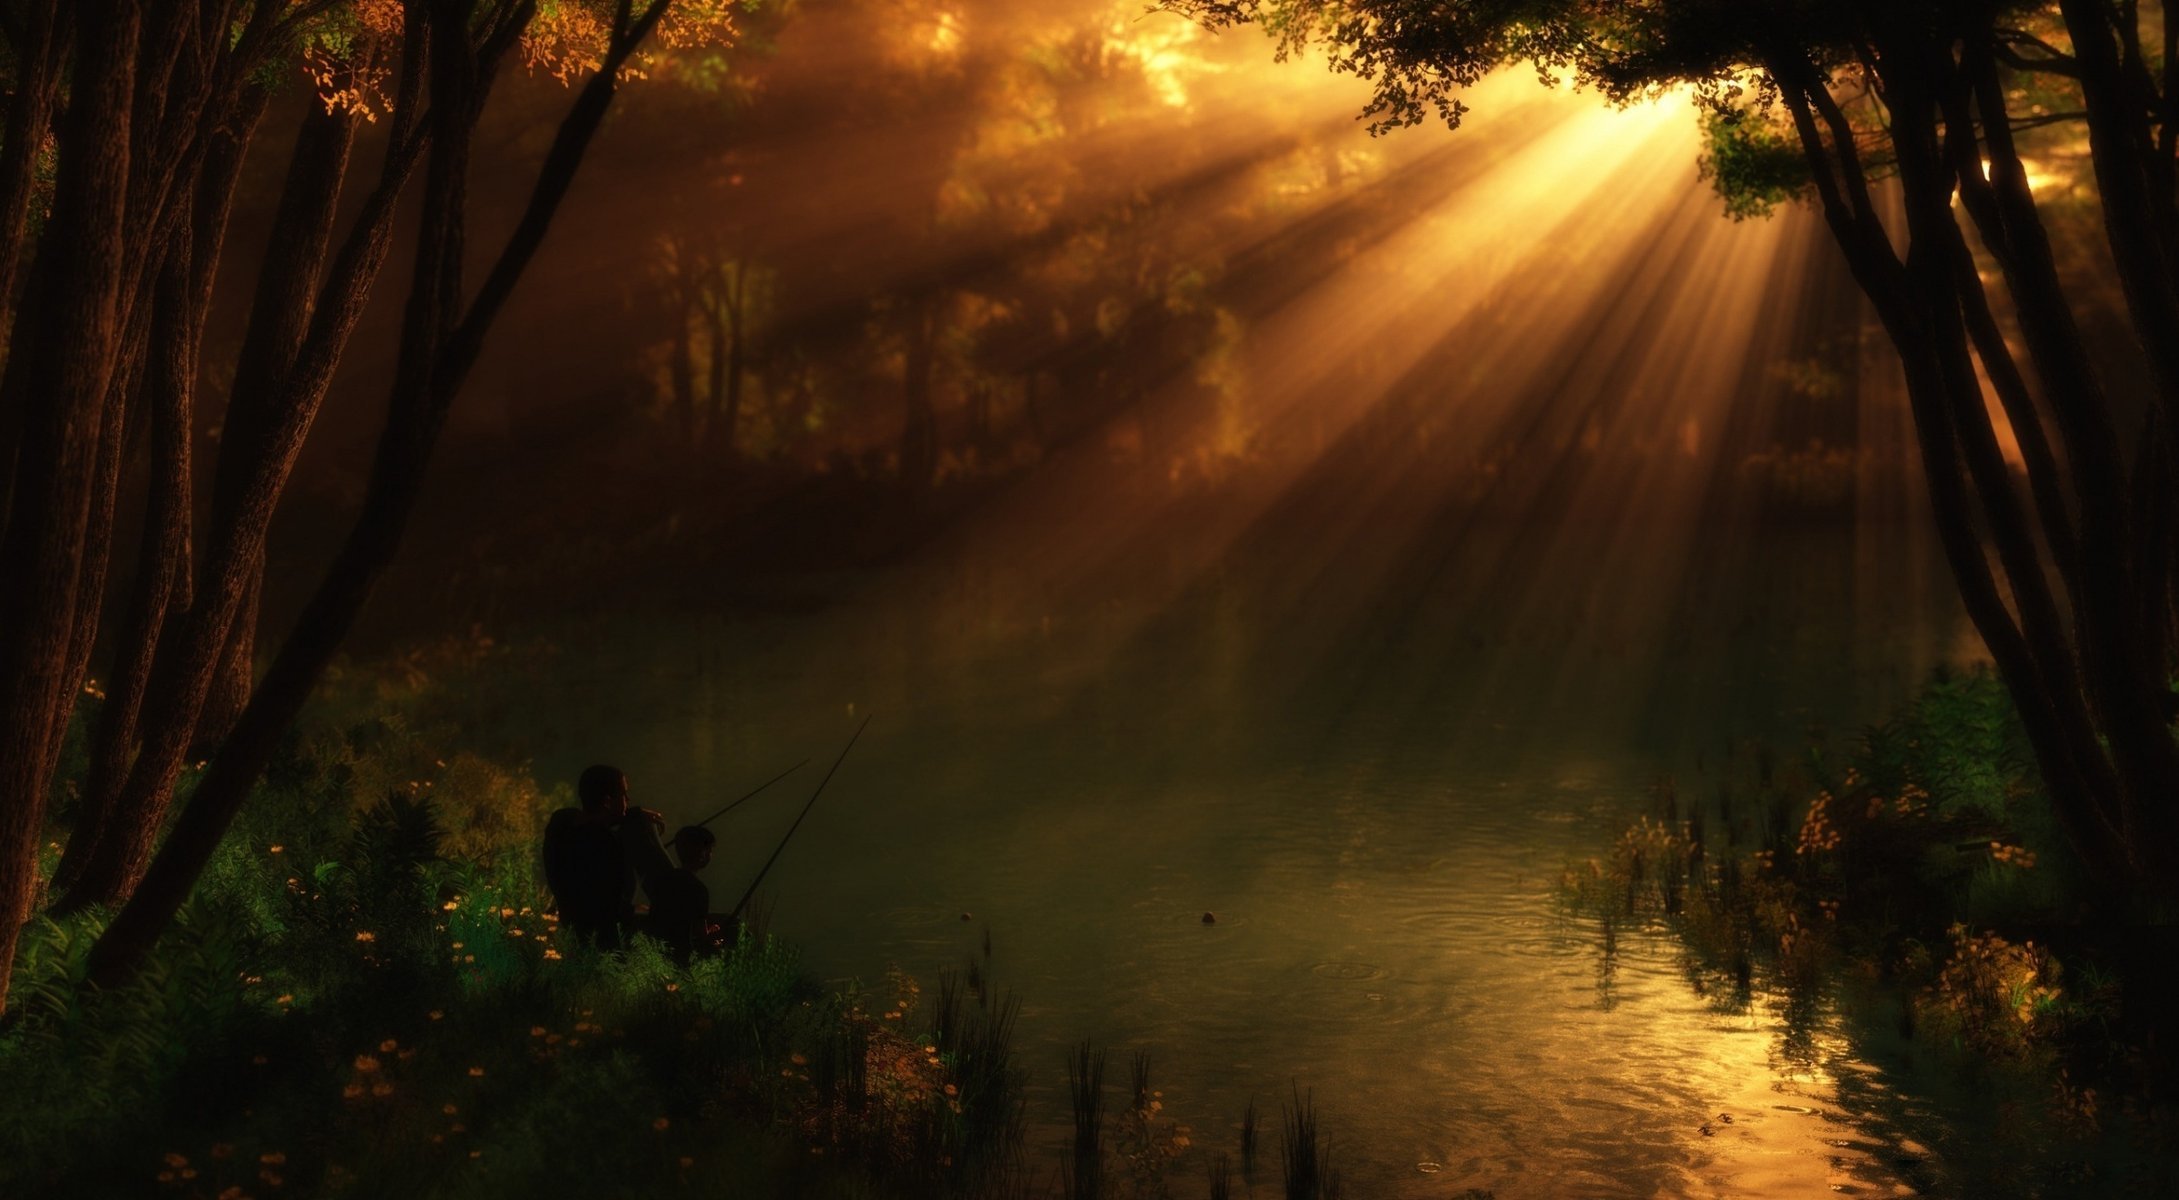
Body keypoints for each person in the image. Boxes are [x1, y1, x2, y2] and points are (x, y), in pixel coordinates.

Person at [542, 764, 671, 950]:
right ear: (607, 801)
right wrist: (637, 909)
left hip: (572, 925)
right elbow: (607, 906)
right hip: (605, 938)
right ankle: (679, 900)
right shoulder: (605, 845)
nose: (628, 799)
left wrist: (631, 813)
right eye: (623, 795)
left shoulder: (560, 825)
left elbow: (584, 818)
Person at [646, 825, 724, 963]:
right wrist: (712, 938)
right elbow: (699, 934)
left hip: (656, 953)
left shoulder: (663, 880)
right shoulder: (698, 889)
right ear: (703, 853)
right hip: (681, 957)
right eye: (710, 850)